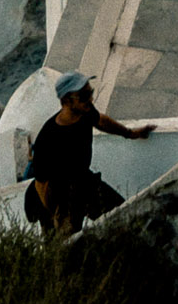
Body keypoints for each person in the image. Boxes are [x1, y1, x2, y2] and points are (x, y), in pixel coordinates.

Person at [24, 74, 155, 234]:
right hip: (57, 197)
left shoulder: (84, 111)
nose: (91, 99)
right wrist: (57, 215)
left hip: (83, 182)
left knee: (124, 217)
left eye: (90, 93)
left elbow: (101, 121)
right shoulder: (49, 138)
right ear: (66, 101)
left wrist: (131, 133)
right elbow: (41, 185)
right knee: (64, 246)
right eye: (84, 96)